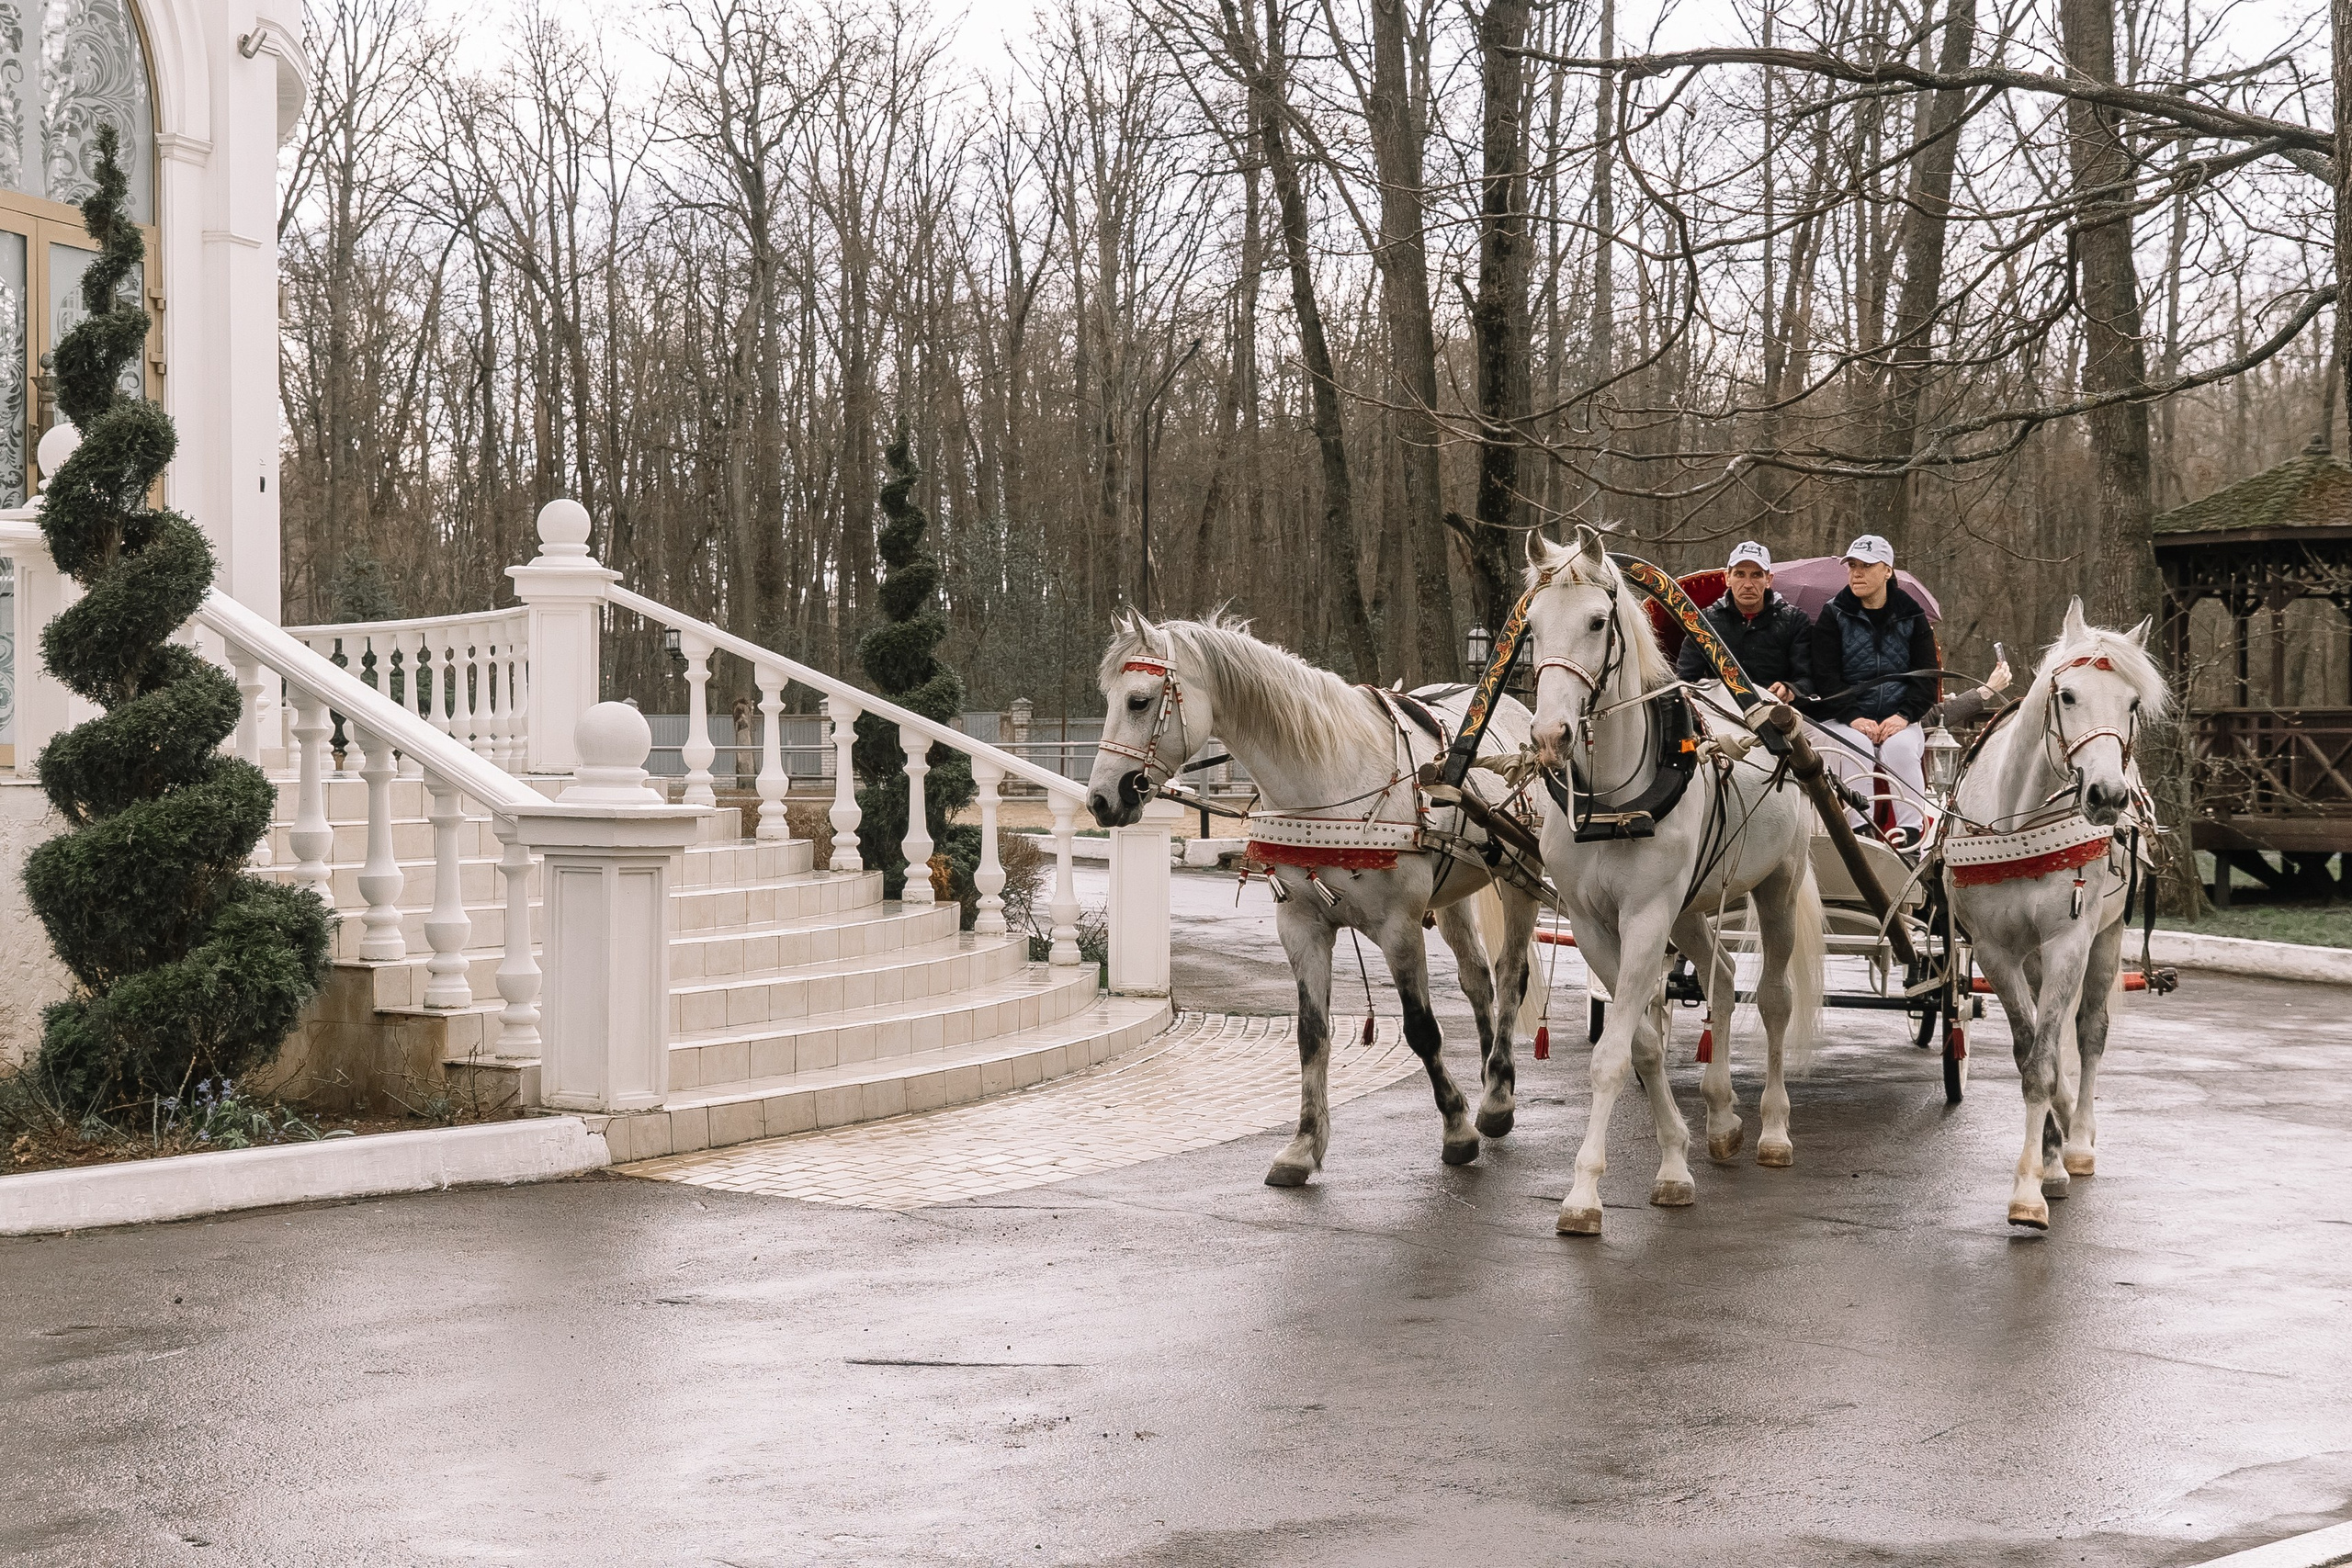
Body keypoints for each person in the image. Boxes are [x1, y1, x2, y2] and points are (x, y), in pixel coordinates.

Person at [1808, 535, 1940, 845]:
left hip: (1900, 715)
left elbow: (1927, 677)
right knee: (1857, 748)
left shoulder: (1912, 615)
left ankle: (1910, 834)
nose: (1857, 573)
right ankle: (1860, 829)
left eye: (1867, 566)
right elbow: (1825, 677)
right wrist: (1853, 716)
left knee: (1901, 749)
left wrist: (1904, 716)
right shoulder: (1834, 614)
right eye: (1853, 566)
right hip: (1845, 717)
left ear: (1887, 571)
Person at [1674, 540, 1812, 703]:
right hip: (1720, 714)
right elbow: (1685, 679)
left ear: (1769, 580)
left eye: (1756, 575)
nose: (1748, 584)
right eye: (1740, 574)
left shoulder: (1794, 620)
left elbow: (1807, 679)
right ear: (1727, 578)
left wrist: (1790, 689)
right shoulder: (1704, 622)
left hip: (1779, 713)